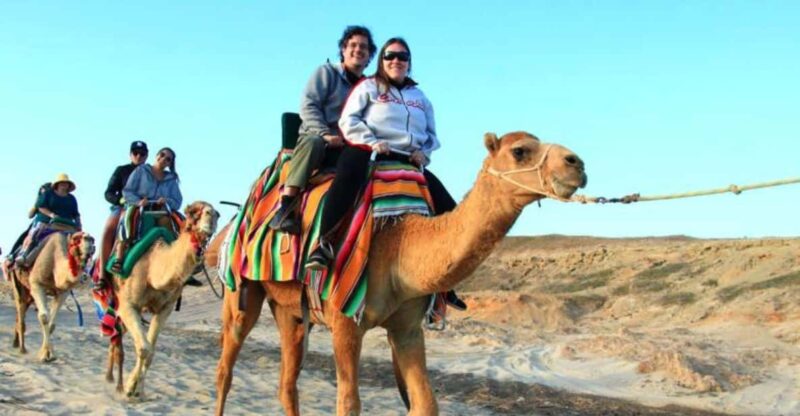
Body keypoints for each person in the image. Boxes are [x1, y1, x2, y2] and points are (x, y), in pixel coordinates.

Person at [306, 37, 466, 310]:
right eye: (390, 56)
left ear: (409, 63)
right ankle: (324, 243)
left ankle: (445, 280)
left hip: (408, 159)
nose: (396, 61)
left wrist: (423, 153)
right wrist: (370, 141)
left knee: (450, 209)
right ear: (381, 60)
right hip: (368, 150)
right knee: (347, 179)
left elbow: (431, 135)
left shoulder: (420, 98)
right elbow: (348, 120)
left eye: (402, 57)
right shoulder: (368, 86)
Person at [268, 25, 377, 234]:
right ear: (343, 50)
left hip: (348, 145)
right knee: (313, 143)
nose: (358, 50)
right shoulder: (326, 73)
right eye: (352, 45)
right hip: (319, 138)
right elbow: (309, 104)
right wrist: (324, 134)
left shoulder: (369, 87)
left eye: (363, 47)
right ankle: (286, 206)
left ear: (369, 55)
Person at [110, 147, 185, 275]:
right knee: (129, 220)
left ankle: (182, 259)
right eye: (162, 155)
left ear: (170, 163)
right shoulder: (141, 171)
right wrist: (138, 201)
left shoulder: (171, 179)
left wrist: (166, 200)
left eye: (168, 159)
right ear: (156, 155)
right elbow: (127, 191)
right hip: (140, 207)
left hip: (161, 210)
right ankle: (119, 258)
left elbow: (177, 201)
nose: (163, 159)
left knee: (181, 224)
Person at [96, 141, 149, 285]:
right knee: (108, 230)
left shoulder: (151, 173)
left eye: (142, 154)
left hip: (148, 208)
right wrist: (120, 200)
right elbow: (108, 193)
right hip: (123, 207)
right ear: (130, 154)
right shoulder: (121, 170)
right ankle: (102, 274)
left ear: (147, 155)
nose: (139, 156)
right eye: (135, 153)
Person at [15, 174, 82, 267]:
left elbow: (76, 214)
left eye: (66, 183)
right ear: (57, 184)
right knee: (37, 232)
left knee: (80, 240)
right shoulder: (48, 194)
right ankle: (25, 255)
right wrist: (52, 215)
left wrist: (79, 225)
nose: (64, 185)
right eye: (62, 183)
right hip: (47, 222)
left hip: (67, 225)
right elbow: (41, 207)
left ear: (69, 185)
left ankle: (82, 265)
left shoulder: (71, 199)